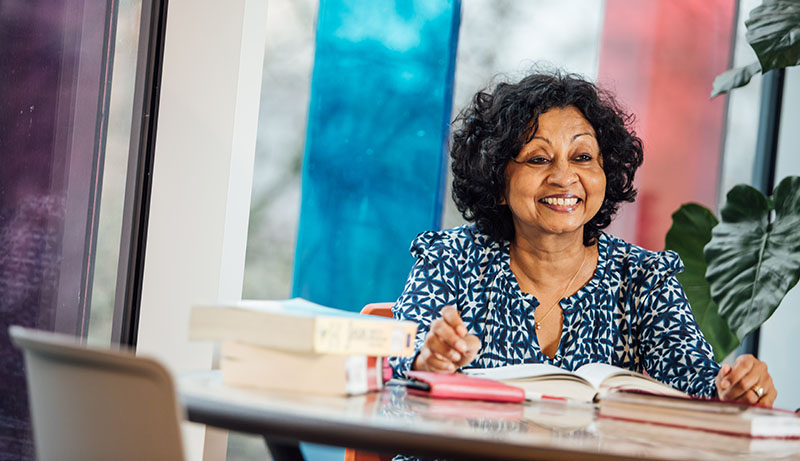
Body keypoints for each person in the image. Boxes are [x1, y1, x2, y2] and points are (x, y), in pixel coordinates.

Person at [389, 71, 776, 406]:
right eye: (539, 159)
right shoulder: (451, 259)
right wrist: (429, 362)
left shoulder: (642, 277)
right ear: (497, 182)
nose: (563, 176)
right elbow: (393, 364)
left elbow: (694, 379)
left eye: (583, 158)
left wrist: (732, 389)